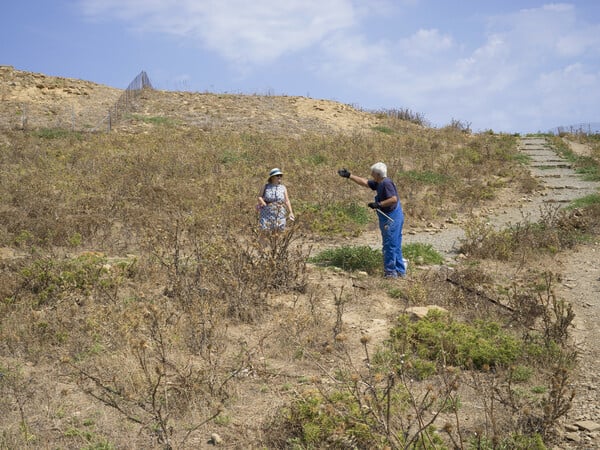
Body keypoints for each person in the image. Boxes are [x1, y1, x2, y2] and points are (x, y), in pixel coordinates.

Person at [338, 163, 406, 278]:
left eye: (373, 172)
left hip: (391, 217)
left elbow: (393, 199)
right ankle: (400, 271)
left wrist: (379, 204)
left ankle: (390, 273)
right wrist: (349, 176)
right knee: (395, 244)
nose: (371, 174)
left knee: (390, 245)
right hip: (392, 215)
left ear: (378, 174)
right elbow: (365, 182)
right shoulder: (380, 182)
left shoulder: (386, 184)